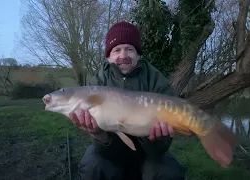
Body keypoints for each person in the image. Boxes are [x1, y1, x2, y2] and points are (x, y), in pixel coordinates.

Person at [69, 21, 187, 180]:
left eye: (129, 49)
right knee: (92, 167)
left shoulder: (156, 80)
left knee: (167, 173)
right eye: (117, 50)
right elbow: (99, 146)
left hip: (148, 153)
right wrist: (99, 135)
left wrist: (156, 140)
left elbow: (162, 147)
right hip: (110, 150)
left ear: (138, 54)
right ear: (109, 57)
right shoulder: (97, 83)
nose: (123, 55)